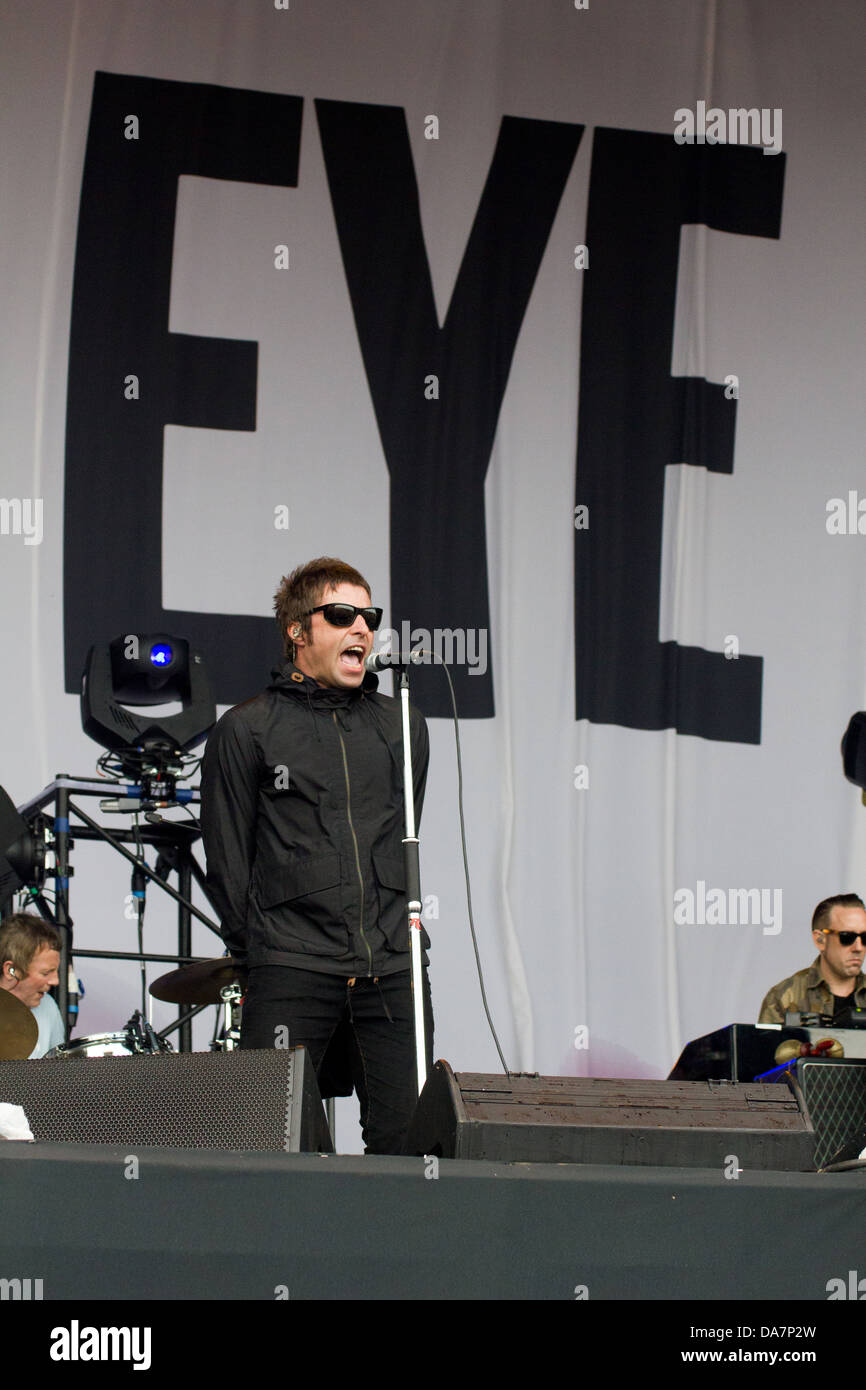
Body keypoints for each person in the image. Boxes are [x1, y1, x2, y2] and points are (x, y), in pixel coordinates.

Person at [200, 557, 433, 1154]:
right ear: (298, 631)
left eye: (368, 616)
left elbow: (401, 836)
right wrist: (265, 951)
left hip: (392, 966)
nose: (361, 628)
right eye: (341, 615)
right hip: (291, 964)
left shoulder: (401, 722)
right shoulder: (247, 729)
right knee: (277, 1145)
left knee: (410, 1145)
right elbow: (226, 859)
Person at [758, 893, 866, 1023]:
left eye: (865, 937)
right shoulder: (784, 996)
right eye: (847, 937)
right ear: (820, 939)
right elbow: (768, 1043)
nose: (858, 948)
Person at [0, 913, 65, 1057]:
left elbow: (58, 1072)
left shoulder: (48, 1006)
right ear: (12, 971)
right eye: (46, 973)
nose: (55, 981)